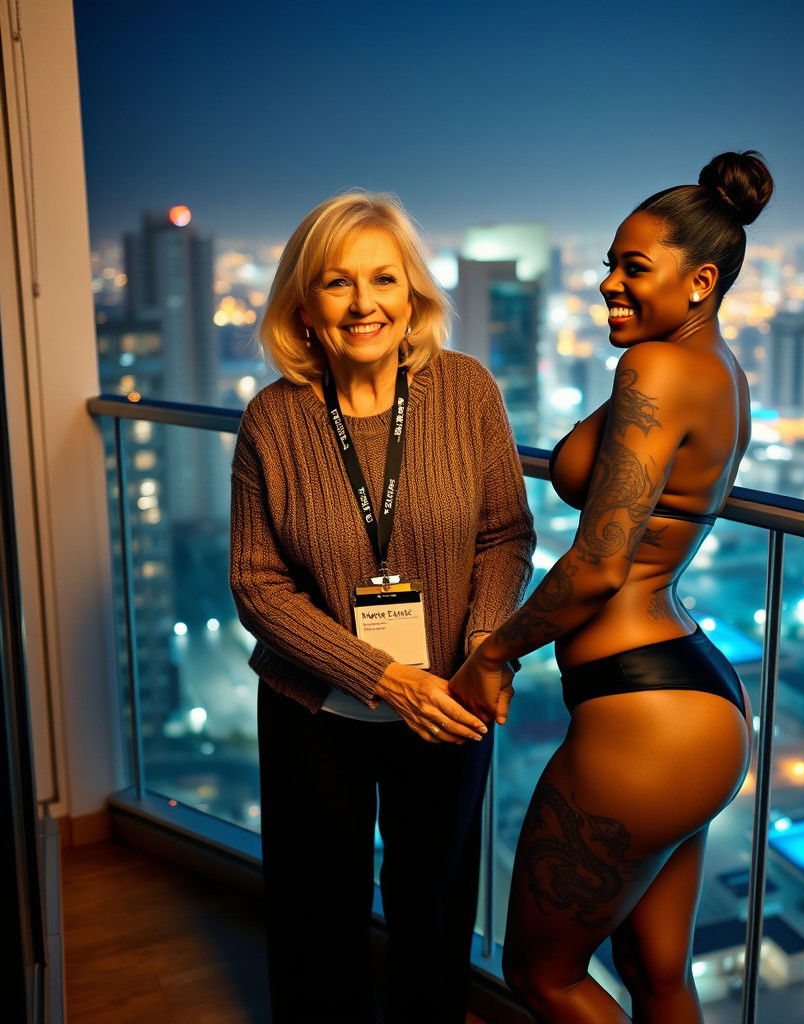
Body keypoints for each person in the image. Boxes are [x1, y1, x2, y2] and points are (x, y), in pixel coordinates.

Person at [452, 151, 772, 1023]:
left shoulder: (659, 373)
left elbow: (598, 561)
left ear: (701, 280)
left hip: (646, 718)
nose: (608, 285)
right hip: (691, 700)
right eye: (609, 265)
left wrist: (496, 651)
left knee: (542, 977)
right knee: (656, 971)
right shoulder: (713, 367)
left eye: (634, 268)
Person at [229, 191, 536, 1023]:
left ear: (414, 295)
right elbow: (257, 583)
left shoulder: (466, 391)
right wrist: (385, 677)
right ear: (303, 304)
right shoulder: (272, 419)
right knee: (314, 917)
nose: (364, 304)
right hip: (313, 710)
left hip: (449, 705)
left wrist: (478, 651)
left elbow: (507, 534)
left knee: (433, 919)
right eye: (337, 283)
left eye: (382, 279)